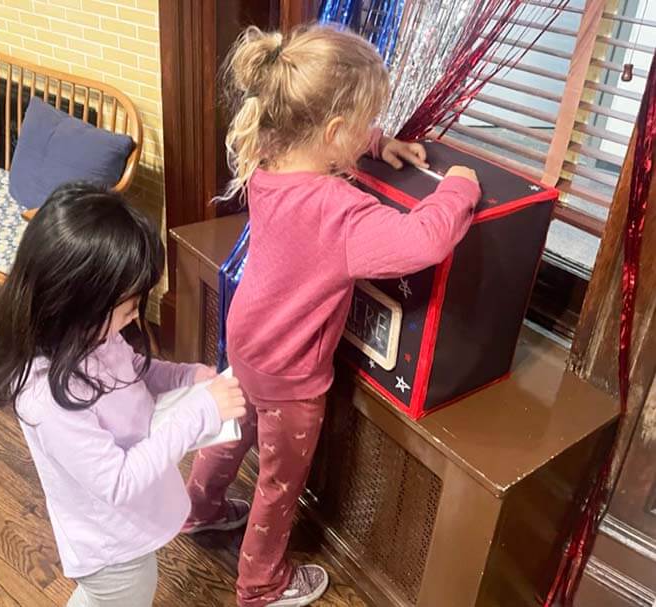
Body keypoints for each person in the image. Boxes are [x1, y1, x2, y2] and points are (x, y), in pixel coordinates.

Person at [184, 24, 481, 607]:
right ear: (334, 130)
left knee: (230, 431)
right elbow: (423, 241)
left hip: (246, 337)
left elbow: (319, 137)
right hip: (293, 373)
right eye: (366, 120)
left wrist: (377, 142)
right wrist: (459, 190)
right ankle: (261, 584)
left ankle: (198, 509)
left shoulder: (267, 156)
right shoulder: (340, 210)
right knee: (278, 483)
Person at [0, 182, 247, 607]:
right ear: (76, 300)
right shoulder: (45, 396)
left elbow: (133, 370)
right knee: (123, 597)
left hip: (127, 524)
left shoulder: (89, 334)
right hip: (110, 546)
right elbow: (119, 481)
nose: (133, 316)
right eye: (127, 306)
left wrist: (184, 378)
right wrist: (199, 411)